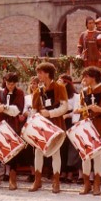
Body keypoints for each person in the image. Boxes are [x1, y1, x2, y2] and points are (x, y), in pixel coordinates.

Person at [29, 62, 68, 194]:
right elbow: (34, 110)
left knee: (55, 152)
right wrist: (33, 124)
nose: (38, 75)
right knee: (38, 152)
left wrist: (50, 113)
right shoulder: (37, 91)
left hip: (55, 124)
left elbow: (64, 107)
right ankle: (37, 180)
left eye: (40, 72)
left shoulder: (59, 87)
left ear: (47, 73)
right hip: (41, 126)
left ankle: (56, 181)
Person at [0, 72, 25, 190]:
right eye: (9, 83)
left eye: (13, 84)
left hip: (12, 126)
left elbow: (17, 110)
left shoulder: (19, 93)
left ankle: (12, 179)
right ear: (5, 82)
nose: (11, 86)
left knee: (13, 152)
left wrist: (4, 108)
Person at [75, 66, 101, 195]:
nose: (84, 79)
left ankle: (97, 184)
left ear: (93, 77)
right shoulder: (83, 92)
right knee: (85, 156)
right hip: (86, 126)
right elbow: (80, 108)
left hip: (99, 126)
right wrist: (80, 110)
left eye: (86, 76)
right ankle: (87, 184)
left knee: (97, 156)